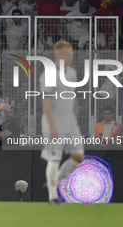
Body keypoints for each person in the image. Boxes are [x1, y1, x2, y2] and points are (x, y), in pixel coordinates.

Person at [41, 40, 84, 205]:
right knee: (54, 158)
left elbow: (72, 98)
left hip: (69, 121)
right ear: (57, 55)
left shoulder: (72, 73)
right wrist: (52, 126)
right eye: (67, 55)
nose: (70, 58)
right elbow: (46, 101)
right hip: (54, 121)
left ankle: (56, 178)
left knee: (78, 156)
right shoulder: (49, 74)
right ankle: (53, 197)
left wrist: (74, 119)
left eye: (71, 55)